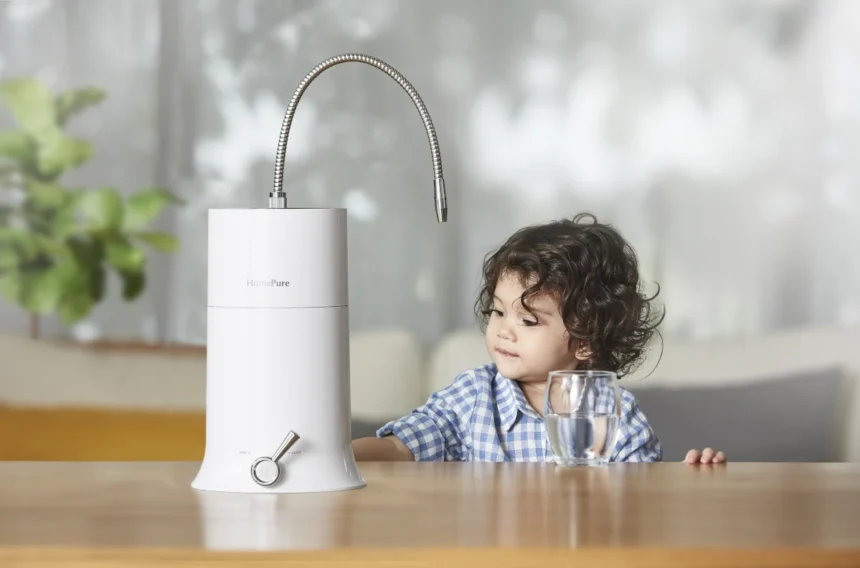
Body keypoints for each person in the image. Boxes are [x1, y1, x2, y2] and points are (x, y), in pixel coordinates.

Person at [352, 213, 726, 465]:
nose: (504, 330)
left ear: (586, 340)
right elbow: (399, 448)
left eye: (528, 320)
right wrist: (338, 455)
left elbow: (644, 496)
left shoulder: (613, 412)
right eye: (498, 312)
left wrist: (695, 477)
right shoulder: (474, 397)